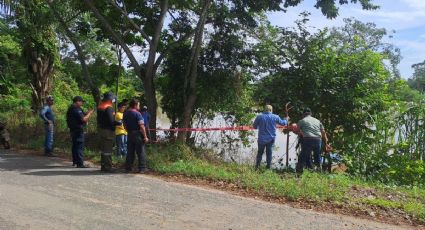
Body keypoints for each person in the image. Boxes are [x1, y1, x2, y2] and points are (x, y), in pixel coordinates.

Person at [253, 105, 289, 169]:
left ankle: (257, 167)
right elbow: (283, 123)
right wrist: (286, 119)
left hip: (261, 139)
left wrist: (260, 126)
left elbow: (254, 127)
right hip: (271, 139)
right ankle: (268, 167)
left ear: (264, 109)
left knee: (260, 153)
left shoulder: (259, 117)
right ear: (271, 110)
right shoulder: (275, 117)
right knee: (269, 153)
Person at [296, 108, 330, 173]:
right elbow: (323, 133)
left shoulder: (301, 121)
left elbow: (297, 131)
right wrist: (326, 144)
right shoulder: (317, 121)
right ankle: (318, 171)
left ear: (303, 114)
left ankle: (299, 173)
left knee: (302, 156)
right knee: (317, 156)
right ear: (311, 114)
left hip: (308, 139)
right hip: (318, 140)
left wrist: (302, 133)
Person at [66, 96, 94, 168]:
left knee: (75, 145)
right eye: (81, 102)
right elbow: (83, 119)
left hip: (73, 130)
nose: (82, 103)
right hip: (78, 130)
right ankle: (80, 163)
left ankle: (75, 161)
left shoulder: (72, 108)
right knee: (79, 146)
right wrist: (89, 114)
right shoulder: (76, 109)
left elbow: (81, 116)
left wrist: (86, 113)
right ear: (77, 101)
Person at [97, 92, 121, 172]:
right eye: (113, 99)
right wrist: (119, 123)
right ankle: (108, 167)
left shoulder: (100, 106)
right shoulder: (109, 108)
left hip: (101, 130)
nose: (113, 100)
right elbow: (111, 121)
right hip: (108, 131)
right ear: (110, 99)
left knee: (103, 149)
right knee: (108, 150)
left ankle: (103, 166)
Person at [123, 99, 149, 173]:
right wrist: (145, 136)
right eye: (138, 105)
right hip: (138, 134)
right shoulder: (138, 114)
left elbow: (124, 124)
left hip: (130, 134)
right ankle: (142, 168)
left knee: (130, 151)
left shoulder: (126, 113)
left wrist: (128, 131)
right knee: (140, 151)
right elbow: (142, 126)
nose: (139, 106)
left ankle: (128, 168)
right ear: (135, 105)